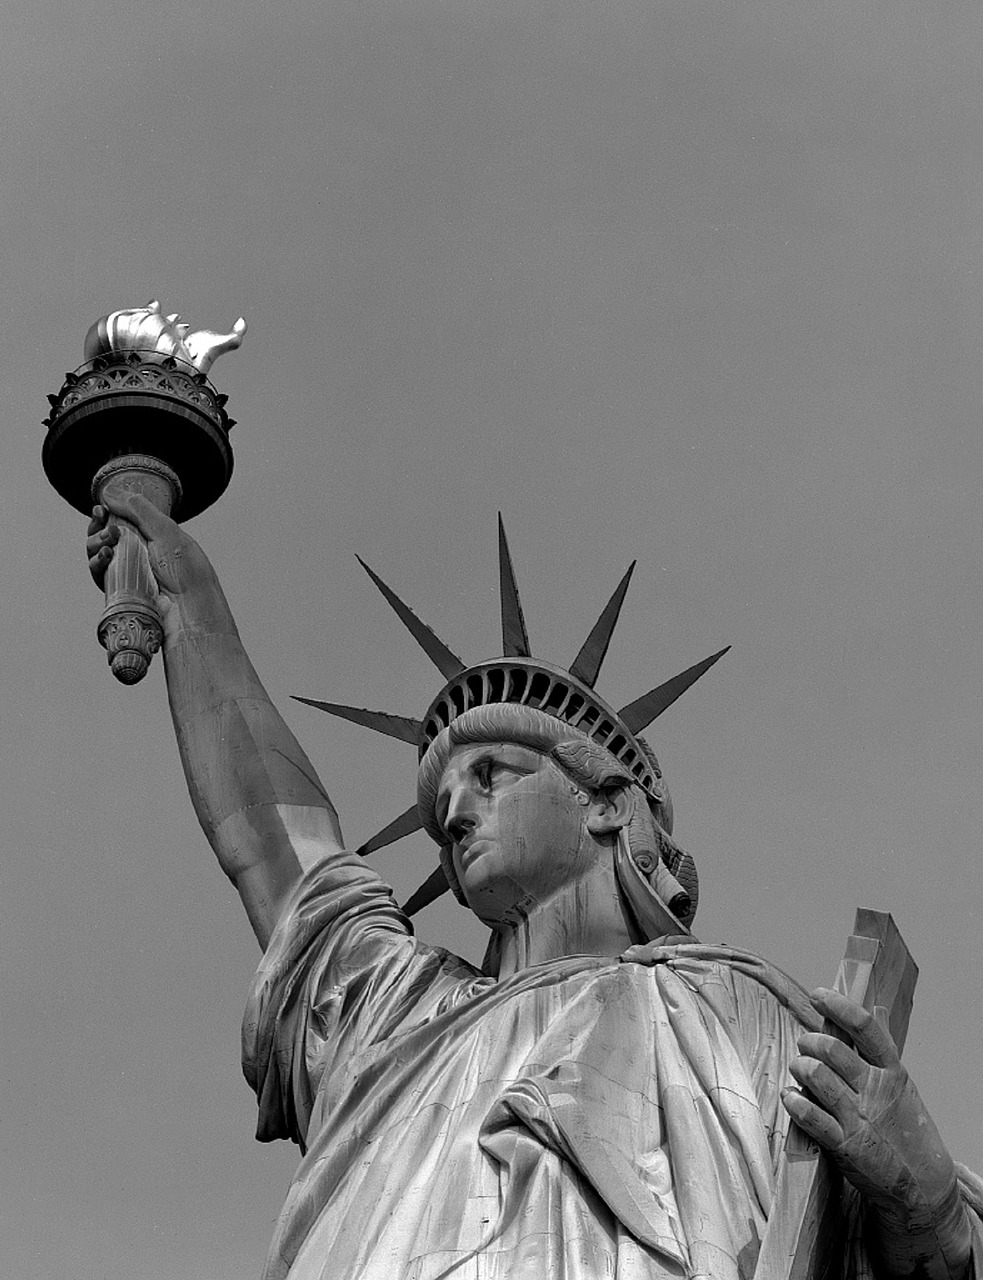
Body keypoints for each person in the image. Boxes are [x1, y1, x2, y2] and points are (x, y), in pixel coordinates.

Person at [89, 495, 983, 1280]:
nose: (459, 814)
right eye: (444, 813)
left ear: (603, 803)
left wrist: (929, 1204)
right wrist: (189, 606)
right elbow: (276, 845)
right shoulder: (396, 1014)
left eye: (493, 776)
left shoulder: (742, 1012)